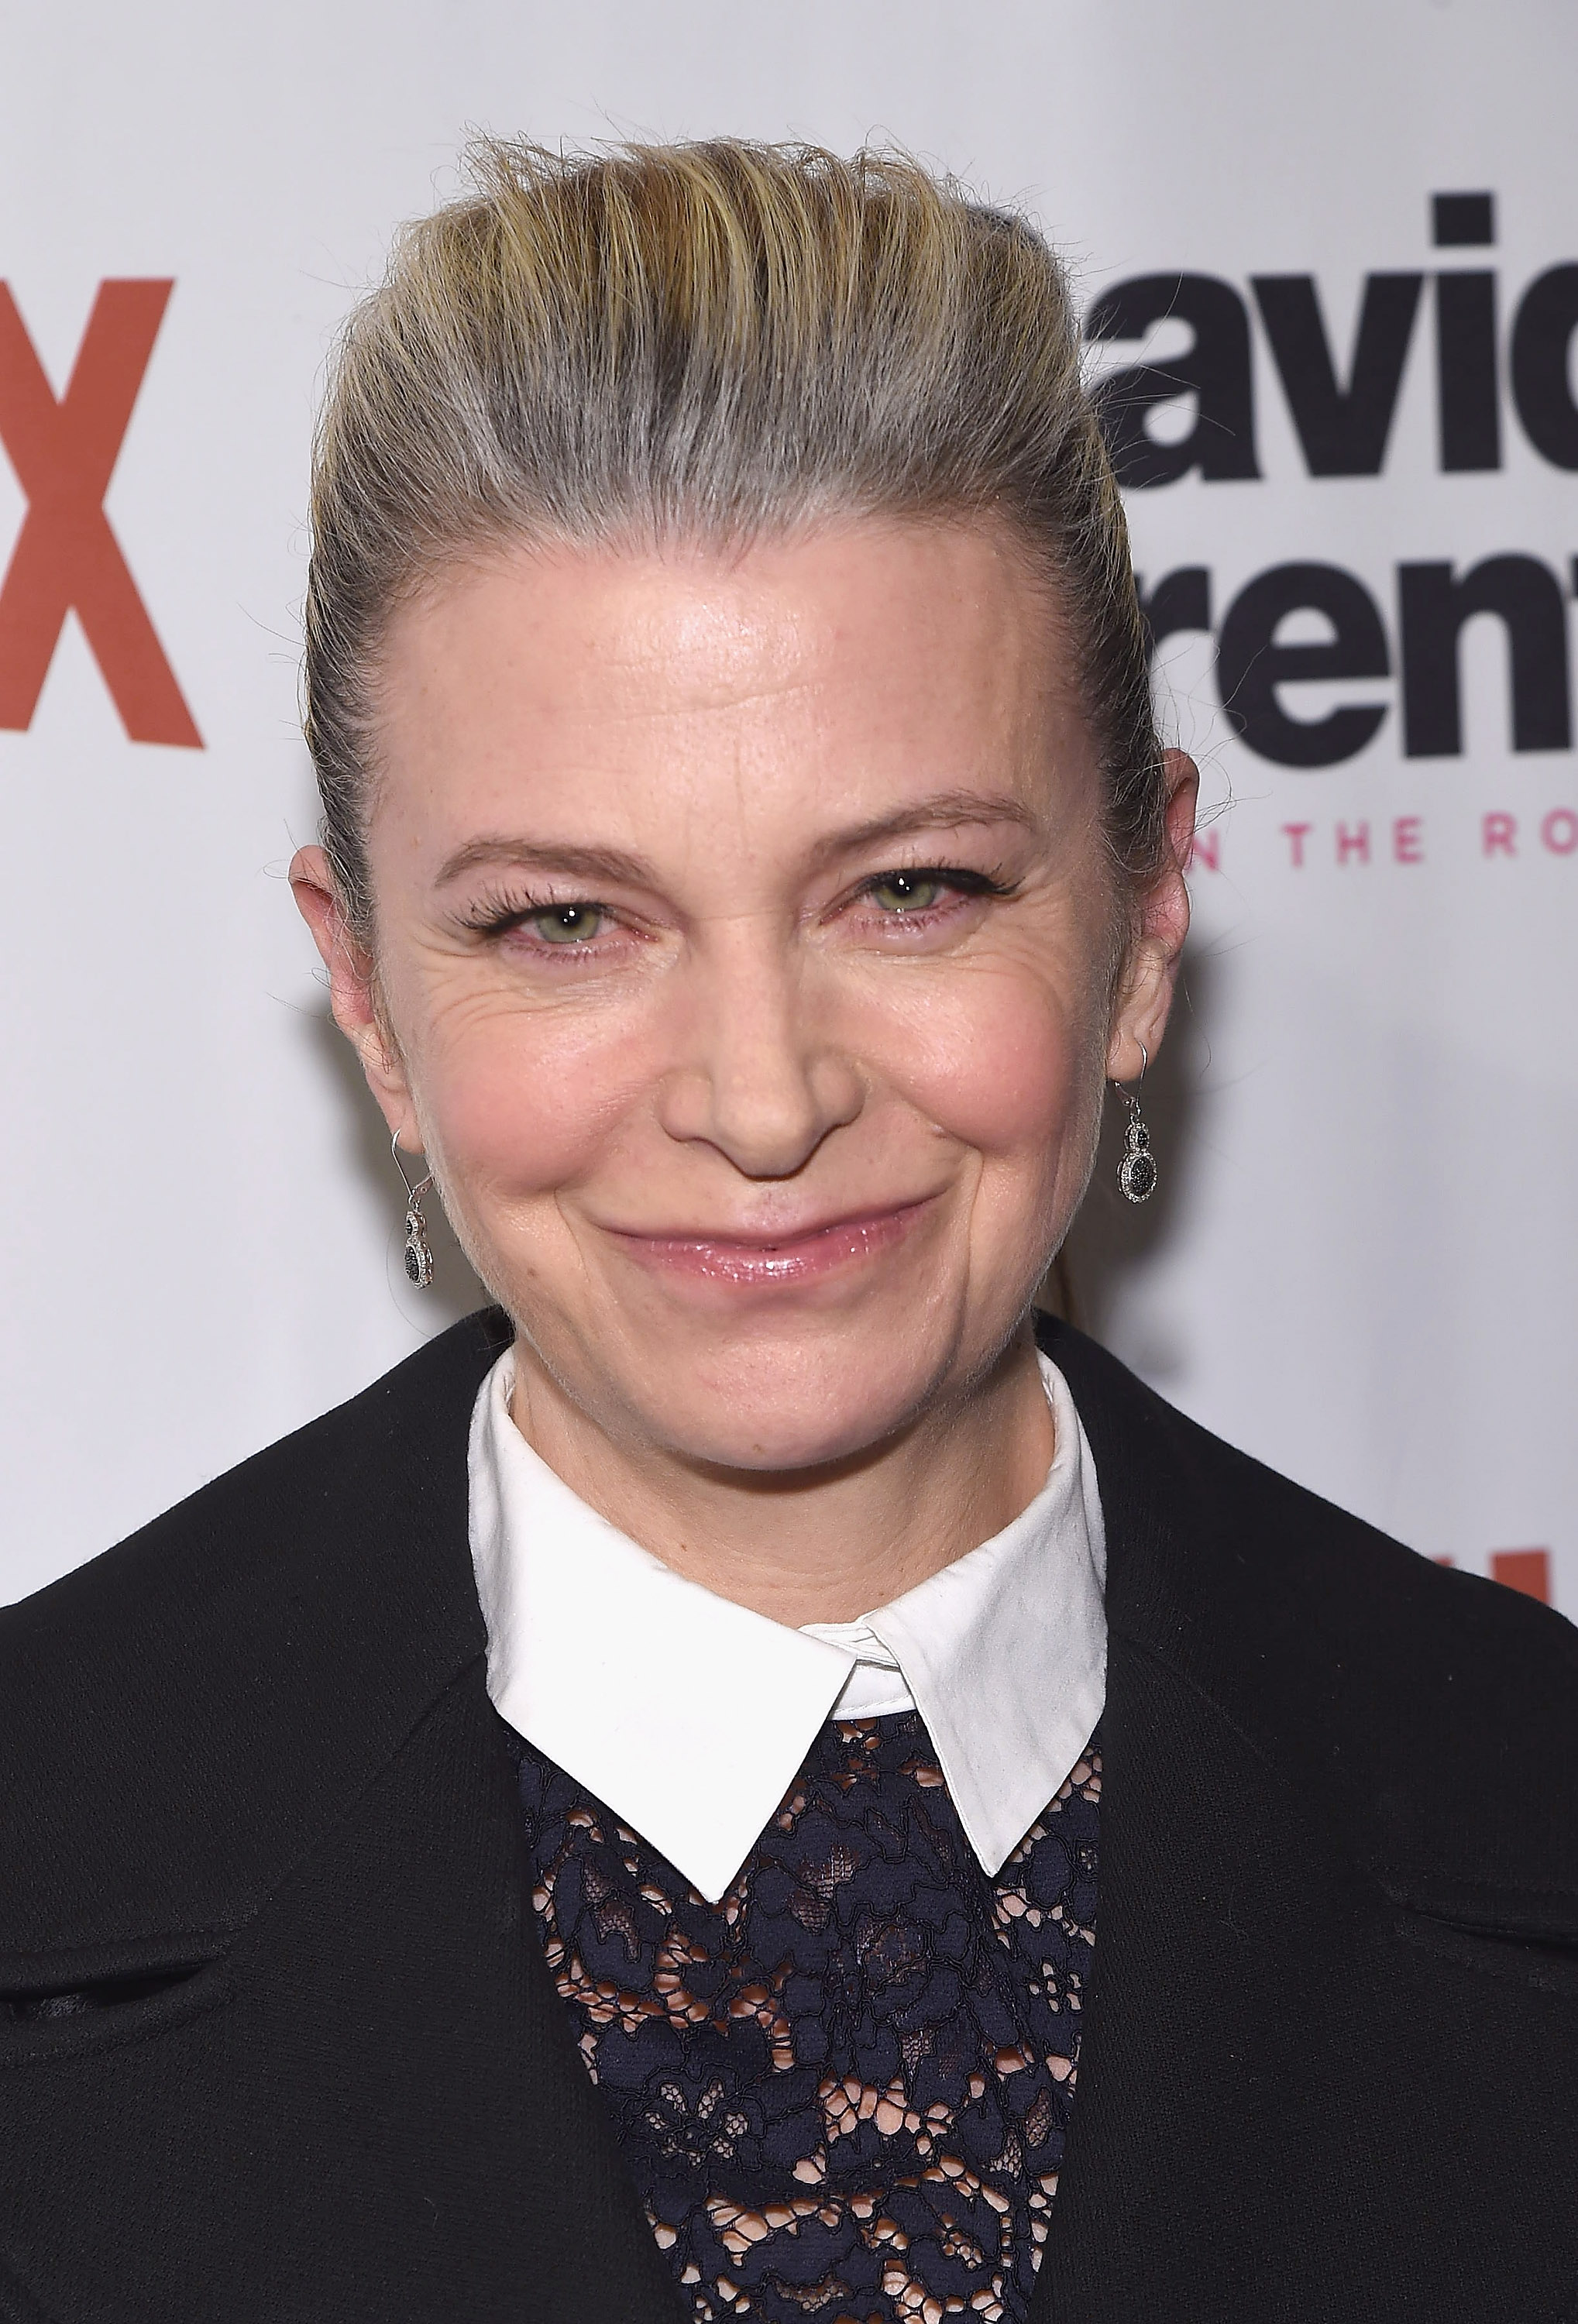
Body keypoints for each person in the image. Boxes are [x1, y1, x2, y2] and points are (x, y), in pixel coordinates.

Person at [1, 139, 1574, 2324]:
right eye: (566, 922)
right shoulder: (45, 1835)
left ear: (1144, 925)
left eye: (912, 890)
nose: (764, 1099)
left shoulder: (1530, 1800)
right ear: (366, 994)